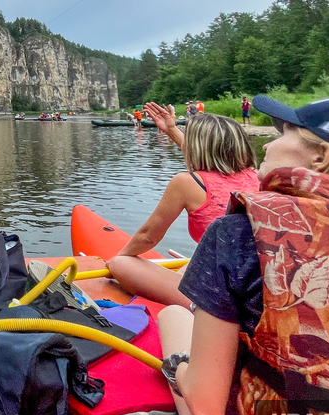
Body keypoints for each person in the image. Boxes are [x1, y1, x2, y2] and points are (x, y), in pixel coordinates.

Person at [158, 96, 329, 415]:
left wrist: (177, 366)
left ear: (320, 155)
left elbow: (206, 407)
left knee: (172, 317)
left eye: (286, 130)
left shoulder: (237, 235)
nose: (269, 142)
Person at [107, 102, 259, 307]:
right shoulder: (257, 176)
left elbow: (148, 236)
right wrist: (171, 129)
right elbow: (206, 158)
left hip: (221, 297)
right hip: (254, 283)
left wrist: (116, 260)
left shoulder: (186, 182)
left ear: (196, 147)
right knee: (194, 261)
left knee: (121, 264)